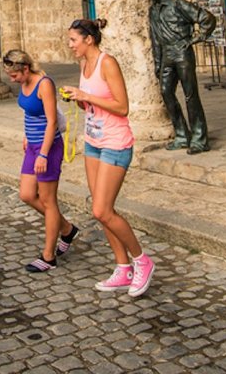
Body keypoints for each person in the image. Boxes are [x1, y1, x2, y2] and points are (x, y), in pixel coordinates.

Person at [62, 18, 155, 297]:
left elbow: (122, 107)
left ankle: (142, 261)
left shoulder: (108, 63)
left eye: (73, 40)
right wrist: (78, 98)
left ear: (88, 39)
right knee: (101, 208)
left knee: (102, 210)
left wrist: (86, 94)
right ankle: (123, 267)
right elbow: (90, 104)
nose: (70, 45)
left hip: (115, 142)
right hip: (93, 141)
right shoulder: (84, 65)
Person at [2, 49, 79, 273]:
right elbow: (30, 113)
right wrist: (27, 135)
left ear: (25, 69)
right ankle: (67, 229)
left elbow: (51, 121)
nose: (12, 79)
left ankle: (48, 256)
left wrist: (44, 154)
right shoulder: (24, 83)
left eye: (14, 75)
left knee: (48, 200)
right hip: (32, 146)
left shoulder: (44, 84)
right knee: (26, 194)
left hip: (49, 147)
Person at [147, 0, 217, 153]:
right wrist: (158, 63)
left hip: (182, 52)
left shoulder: (178, 4)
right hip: (166, 54)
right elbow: (155, 40)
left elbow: (207, 18)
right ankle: (182, 135)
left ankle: (199, 139)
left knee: (190, 94)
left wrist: (196, 38)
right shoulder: (153, 11)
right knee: (166, 92)